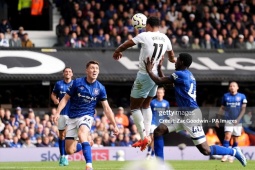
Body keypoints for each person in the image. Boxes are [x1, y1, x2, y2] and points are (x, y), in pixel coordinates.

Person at [144, 53, 247, 167]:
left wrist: (149, 71)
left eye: (177, 60)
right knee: (158, 131)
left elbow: (159, 81)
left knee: (205, 150)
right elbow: (167, 85)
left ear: (182, 62)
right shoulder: (187, 75)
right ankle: (160, 166)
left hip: (191, 115)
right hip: (181, 114)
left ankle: (233, 152)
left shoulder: (179, 74)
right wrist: (158, 68)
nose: (175, 62)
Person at [113, 16, 175, 151]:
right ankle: (147, 134)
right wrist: (168, 59)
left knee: (134, 106)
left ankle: (143, 137)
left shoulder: (145, 35)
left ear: (148, 25)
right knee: (146, 104)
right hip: (155, 76)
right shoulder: (165, 38)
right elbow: (171, 57)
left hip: (144, 75)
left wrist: (118, 51)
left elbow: (128, 43)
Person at [52, 61, 119, 170]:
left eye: (97, 68)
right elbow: (65, 99)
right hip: (72, 116)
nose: (95, 70)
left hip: (87, 115)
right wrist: (57, 112)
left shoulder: (100, 88)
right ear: (86, 70)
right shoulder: (77, 83)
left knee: (82, 134)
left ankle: (89, 165)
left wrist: (114, 124)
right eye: (92, 68)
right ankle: (87, 144)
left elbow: (106, 108)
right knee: (69, 150)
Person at [216, 81, 247, 163]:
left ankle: (232, 156)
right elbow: (222, 108)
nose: (232, 87)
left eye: (234, 86)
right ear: (229, 88)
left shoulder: (242, 96)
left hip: (238, 121)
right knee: (227, 136)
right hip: (228, 119)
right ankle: (225, 154)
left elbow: (243, 109)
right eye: (230, 86)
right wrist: (218, 119)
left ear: (237, 87)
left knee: (235, 138)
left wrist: (238, 119)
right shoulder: (226, 96)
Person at [51, 67, 73, 166]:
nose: (68, 73)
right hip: (61, 113)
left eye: (69, 72)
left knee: (69, 136)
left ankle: (66, 156)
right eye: (66, 72)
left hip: (72, 114)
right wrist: (55, 100)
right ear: (63, 74)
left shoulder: (75, 84)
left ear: (72, 74)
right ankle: (62, 156)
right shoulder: (59, 84)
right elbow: (53, 94)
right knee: (61, 135)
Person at [147, 87, 170, 159]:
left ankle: (153, 153)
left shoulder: (166, 103)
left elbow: (167, 114)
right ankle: (149, 152)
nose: (159, 94)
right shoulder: (152, 102)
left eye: (160, 93)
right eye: (158, 93)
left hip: (161, 125)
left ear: (163, 94)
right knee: (152, 137)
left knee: (158, 139)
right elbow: (148, 112)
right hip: (153, 122)